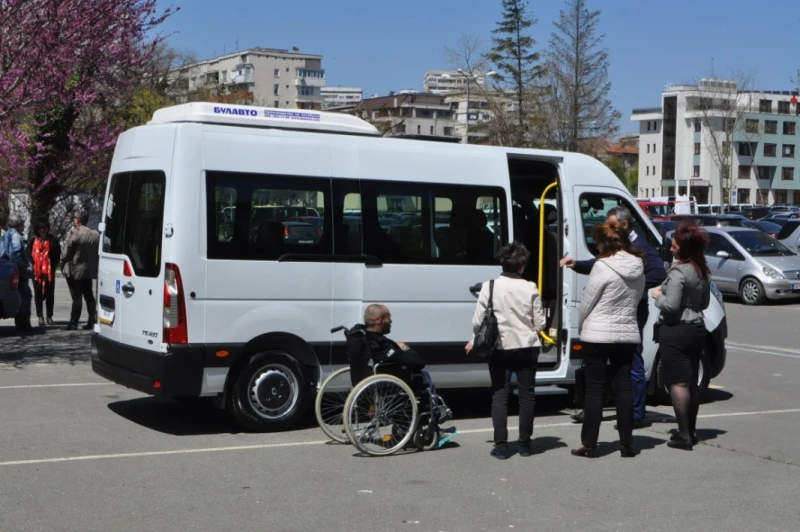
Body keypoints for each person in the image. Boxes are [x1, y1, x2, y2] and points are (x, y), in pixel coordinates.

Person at [561, 206, 667, 428]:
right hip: (612, 312)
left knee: (632, 364)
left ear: (625, 225)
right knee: (604, 366)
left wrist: (631, 287)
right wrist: (577, 264)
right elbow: (604, 264)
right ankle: (595, 410)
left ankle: (636, 414)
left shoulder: (642, 247)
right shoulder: (618, 245)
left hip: (632, 311)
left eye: (612, 224)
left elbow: (658, 273)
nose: (608, 228)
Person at [571, 221, 644, 458]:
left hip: (598, 334)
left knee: (595, 390)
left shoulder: (602, 266)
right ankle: (627, 443)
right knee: (623, 387)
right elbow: (637, 299)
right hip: (626, 333)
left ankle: (589, 444)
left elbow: (588, 301)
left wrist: (582, 325)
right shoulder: (638, 266)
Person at [466, 242, 546, 460]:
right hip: (527, 346)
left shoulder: (489, 286)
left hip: (499, 347)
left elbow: (478, 322)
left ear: (502, 263)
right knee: (527, 396)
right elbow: (540, 323)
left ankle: (501, 446)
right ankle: (525, 445)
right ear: (522, 266)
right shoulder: (530, 287)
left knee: (500, 396)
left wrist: (474, 339)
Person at [652, 221, 711, 451]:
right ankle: (691, 431)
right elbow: (704, 303)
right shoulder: (702, 270)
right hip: (697, 327)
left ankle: (684, 435)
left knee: (677, 382)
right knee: (691, 379)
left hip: (677, 328)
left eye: (674, 246)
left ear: (683, 249)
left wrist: (657, 295)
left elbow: (672, 305)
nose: (671, 248)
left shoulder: (679, 271)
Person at [362, 304, 451, 423]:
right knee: (423, 375)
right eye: (389, 318)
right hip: (388, 383)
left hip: (367, 379)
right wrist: (404, 347)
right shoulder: (383, 345)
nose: (391, 321)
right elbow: (418, 362)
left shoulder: (363, 339)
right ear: (380, 321)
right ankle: (434, 414)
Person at [61, 210, 99, 330]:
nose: (74, 219)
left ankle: (73, 323)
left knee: (77, 297)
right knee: (89, 295)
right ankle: (92, 320)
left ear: (78, 220)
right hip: (88, 270)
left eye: (75, 217)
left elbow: (66, 251)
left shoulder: (76, 232)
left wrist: (62, 262)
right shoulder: (95, 234)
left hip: (76, 269)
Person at [1, 215, 33, 332]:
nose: (24, 225)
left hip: (10, 270)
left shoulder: (6, 234)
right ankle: (23, 324)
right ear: (18, 224)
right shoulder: (15, 236)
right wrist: (24, 266)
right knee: (25, 296)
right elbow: (15, 254)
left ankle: (22, 323)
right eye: (22, 223)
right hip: (19, 271)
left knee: (23, 295)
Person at [29, 221, 61, 327]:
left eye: (44, 228)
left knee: (49, 294)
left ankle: (49, 316)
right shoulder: (33, 240)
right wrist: (34, 265)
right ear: (37, 230)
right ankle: (40, 316)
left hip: (48, 271)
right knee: (38, 294)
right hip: (37, 272)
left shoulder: (53, 240)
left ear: (48, 228)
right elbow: (28, 254)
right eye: (40, 228)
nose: (42, 230)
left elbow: (57, 253)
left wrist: (51, 265)